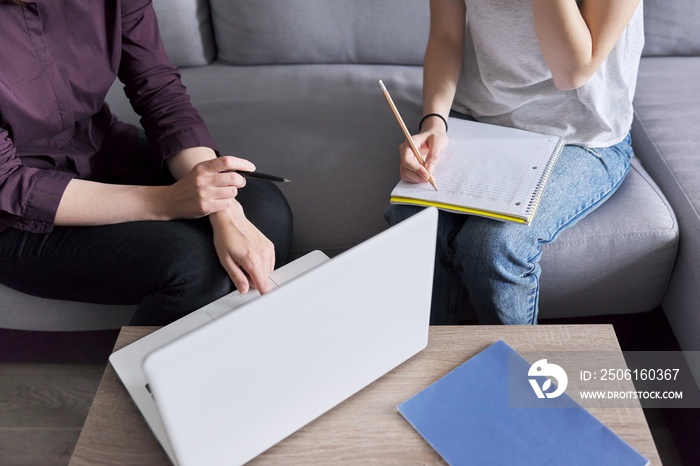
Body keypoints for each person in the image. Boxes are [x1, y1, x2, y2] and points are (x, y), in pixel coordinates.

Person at [0, 0, 293, 325]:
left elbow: (159, 92)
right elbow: (10, 184)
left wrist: (221, 206)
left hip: (103, 153)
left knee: (264, 210)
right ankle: (140, 375)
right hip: (14, 215)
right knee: (190, 264)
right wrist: (167, 202)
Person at [386, 0, 644, 325]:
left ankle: (516, 375)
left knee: (493, 245)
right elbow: (446, 37)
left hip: (582, 137)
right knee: (413, 221)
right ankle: (426, 368)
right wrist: (434, 122)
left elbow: (571, 71)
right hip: (480, 120)